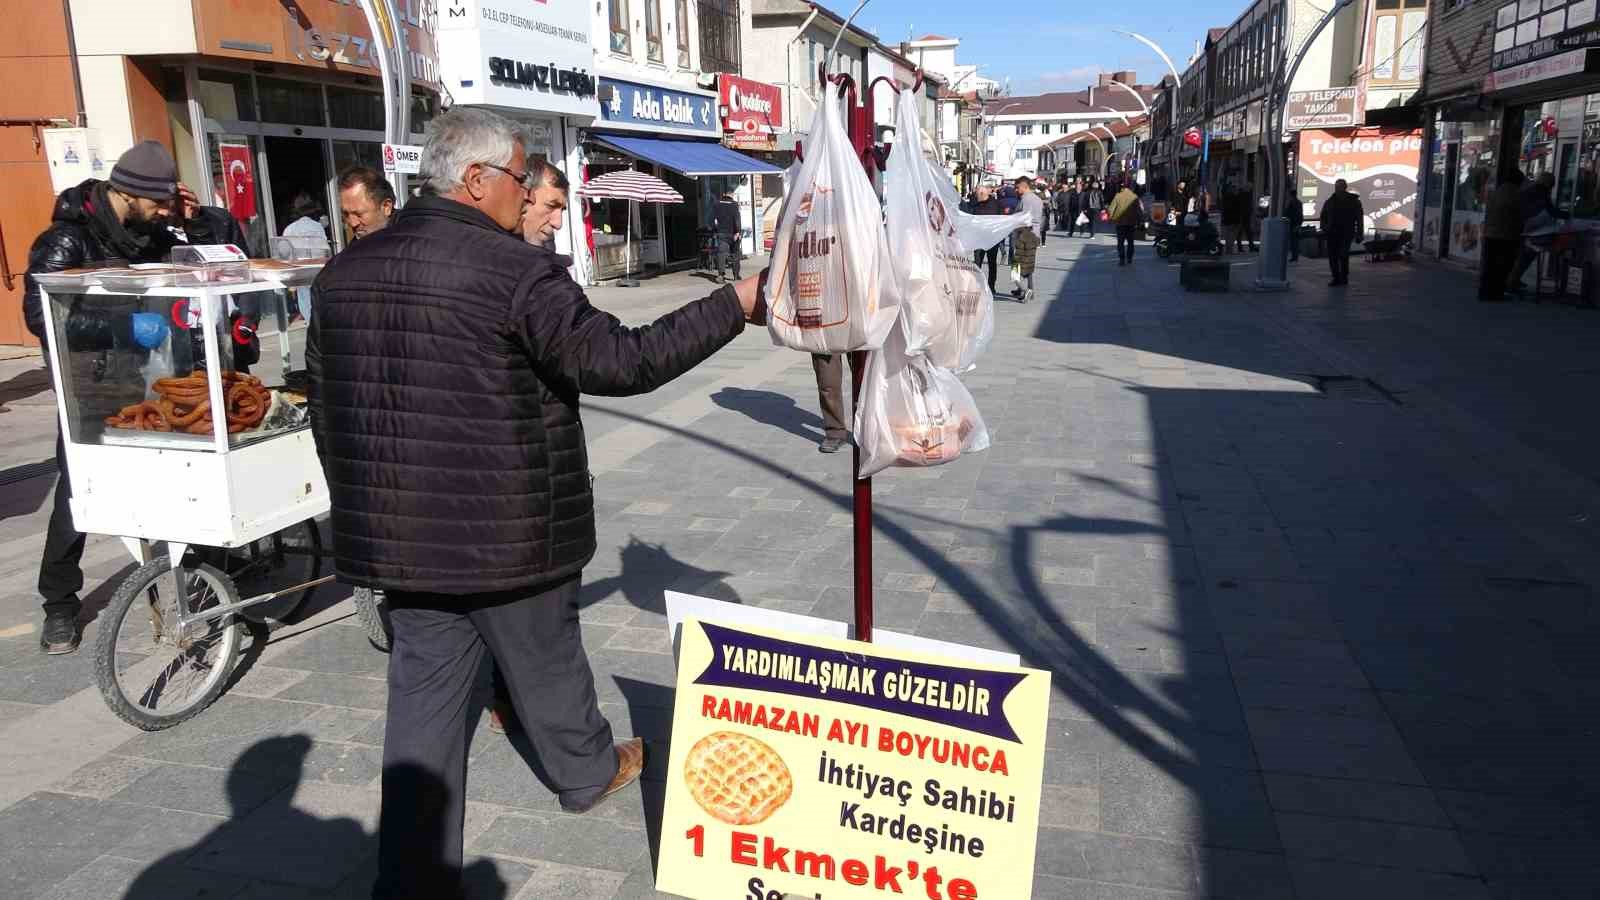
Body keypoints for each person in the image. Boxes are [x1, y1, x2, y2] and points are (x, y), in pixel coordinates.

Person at [307, 108, 767, 897]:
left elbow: (325, 408)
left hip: (403, 547)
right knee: (547, 662)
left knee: (422, 715)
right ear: (477, 179)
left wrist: (370, 509)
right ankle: (586, 771)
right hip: (510, 537)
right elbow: (623, 362)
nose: (527, 197)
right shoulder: (514, 272)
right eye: (522, 179)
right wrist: (736, 303)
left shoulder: (344, 273)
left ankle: (413, 881)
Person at [22, 140, 253, 655]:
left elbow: (193, 267)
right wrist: (126, 324)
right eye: (158, 203)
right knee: (77, 496)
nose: (162, 212)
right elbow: (42, 317)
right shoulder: (65, 241)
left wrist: (191, 226)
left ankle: (199, 581)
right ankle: (59, 603)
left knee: (178, 479)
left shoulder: (144, 234)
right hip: (91, 389)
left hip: (150, 384)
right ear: (131, 193)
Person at [1509, 171, 1567, 296]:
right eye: (1552, 183)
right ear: (1548, 183)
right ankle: (1512, 282)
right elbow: (1550, 210)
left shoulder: (1534, 190)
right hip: (1527, 228)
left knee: (1524, 255)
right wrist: (1566, 215)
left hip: (1523, 226)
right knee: (1525, 256)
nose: (1553, 186)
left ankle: (1514, 280)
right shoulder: (1540, 192)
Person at [1481, 168, 1526, 303]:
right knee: (1503, 267)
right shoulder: (1517, 195)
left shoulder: (1495, 193)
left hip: (1490, 234)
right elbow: (1519, 217)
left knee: (1489, 265)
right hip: (1507, 236)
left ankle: (1485, 292)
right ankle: (1497, 293)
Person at [1319, 178, 1365, 287]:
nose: (1338, 188)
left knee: (1343, 255)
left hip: (1346, 232)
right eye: (1336, 186)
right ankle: (1335, 277)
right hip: (1332, 233)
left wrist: (1359, 233)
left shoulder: (1354, 201)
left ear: (1345, 187)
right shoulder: (1330, 201)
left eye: (1340, 186)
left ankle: (1344, 276)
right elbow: (1323, 216)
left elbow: (1359, 219)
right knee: (1332, 256)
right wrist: (1325, 228)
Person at [963, 183, 1006, 293]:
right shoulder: (975, 204)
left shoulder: (996, 204)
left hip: (992, 239)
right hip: (978, 239)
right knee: (977, 263)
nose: (976, 196)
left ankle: (991, 286)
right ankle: (977, 284)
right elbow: (969, 217)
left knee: (992, 263)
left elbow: (1001, 220)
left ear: (983, 193)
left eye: (977, 194)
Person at [338, 166, 396, 241]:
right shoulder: (354, 249)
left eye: (359, 214)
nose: (353, 223)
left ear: (386, 207)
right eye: (346, 214)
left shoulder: (410, 245)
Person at [1011, 175, 1043, 302]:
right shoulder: (1037, 199)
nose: (1016, 190)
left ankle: (1025, 290)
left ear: (1025, 186)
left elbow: (1023, 219)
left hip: (1025, 235)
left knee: (1015, 265)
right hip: (1034, 235)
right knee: (1028, 264)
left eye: (1017, 187)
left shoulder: (1026, 199)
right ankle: (1029, 290)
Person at [1108, 180, 1143, 266]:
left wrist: (1111, 218)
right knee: (1130, 242)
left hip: (1120, 223)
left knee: (1120, 242)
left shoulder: (1118, 196)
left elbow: (1110, 210)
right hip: (1131, 223)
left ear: (1122, 188)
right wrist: (1139, 221)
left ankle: (1122, 259)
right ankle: (1130, 258)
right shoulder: (1134, 197)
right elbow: (1139, 211)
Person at [713, 189, 741, 282]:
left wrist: (716, 229)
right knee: (735, 254)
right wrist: (737, 231)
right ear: (732, 195)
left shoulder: (717, 204)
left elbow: (714, 219)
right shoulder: (734, 204)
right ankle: (736, 275)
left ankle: (721, 275)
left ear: (724, 194)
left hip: (721, 233)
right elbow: (737, 219)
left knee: (721, 254)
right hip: (732, 233)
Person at [1282, 192, 1304, 262]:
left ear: (1291, 196)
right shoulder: (1299, 203)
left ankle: (1294, 257)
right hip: (1296, 223)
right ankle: (1295, 256)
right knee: (1295, 241)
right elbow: (1300, 214)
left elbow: (1287, 213)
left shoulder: (1292, 203)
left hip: (1293, 224)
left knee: (1293, 241)